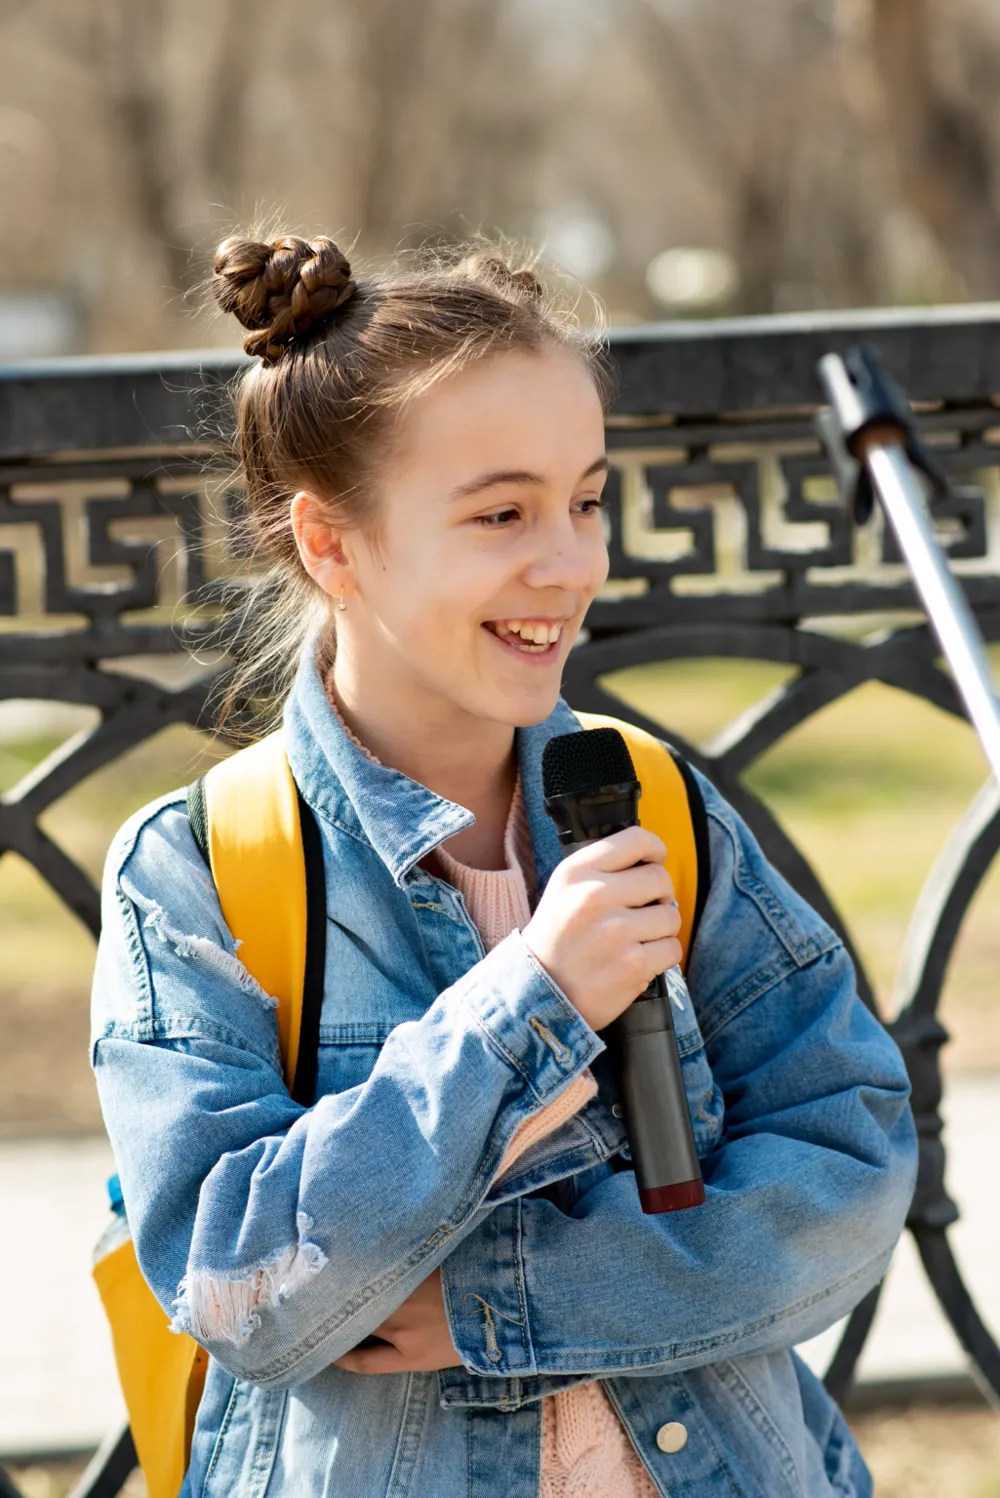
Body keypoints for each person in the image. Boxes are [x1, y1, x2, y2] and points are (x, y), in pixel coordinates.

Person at [91, 232, 917, 1498]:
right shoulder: (200, 873)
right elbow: (233, 1280)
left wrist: (505, 1299)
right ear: (330, 544)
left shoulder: (648, 804)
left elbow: (852, 1157)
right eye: (500, 513)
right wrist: (530, 1000)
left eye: (585, 499)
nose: (571, 561)